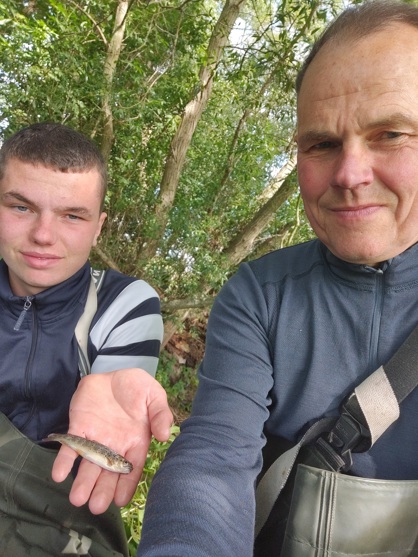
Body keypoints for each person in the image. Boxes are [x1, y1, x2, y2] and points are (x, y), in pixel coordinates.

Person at [137, 1, 418, 555]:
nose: (350, 174)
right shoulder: (260, 295)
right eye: (322, 144)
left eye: (390, 134)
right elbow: (217, 453)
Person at [0, 122, 173, 556]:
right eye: (21, 208)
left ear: (99, 227)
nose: (43, 235)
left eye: (72, 216)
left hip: (58, 514)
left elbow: (111, 421)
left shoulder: (126, 301)